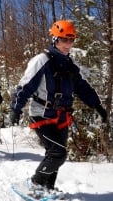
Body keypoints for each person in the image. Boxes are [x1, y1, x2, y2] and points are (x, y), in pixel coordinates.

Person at [10, 20, 107, 194]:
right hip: (42, 115)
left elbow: (82, 87)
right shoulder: (42, 60)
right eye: (64, 40)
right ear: (55, 39)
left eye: (71, 40)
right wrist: (16, 108)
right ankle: (35, 183)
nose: (68, 44)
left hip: (61, 117)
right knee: (58, 153)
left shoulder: (70, 65)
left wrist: (97, 105)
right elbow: (25, 86)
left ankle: (48, 187)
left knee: (54, 154)